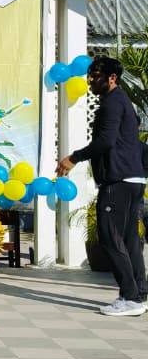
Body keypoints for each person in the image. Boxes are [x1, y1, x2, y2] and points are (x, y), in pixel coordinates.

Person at [57, 55, 146, 316]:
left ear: (112, 78)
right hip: (132, 179)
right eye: (90, 75)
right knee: (129, 239)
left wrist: (74, 157)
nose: (90, 80)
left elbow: (106, 141)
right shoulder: (122, 101)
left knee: (109, 237)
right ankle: (140, 294)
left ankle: (130, 297)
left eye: (96, 76)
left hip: (118, 181)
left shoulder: (112, 103)